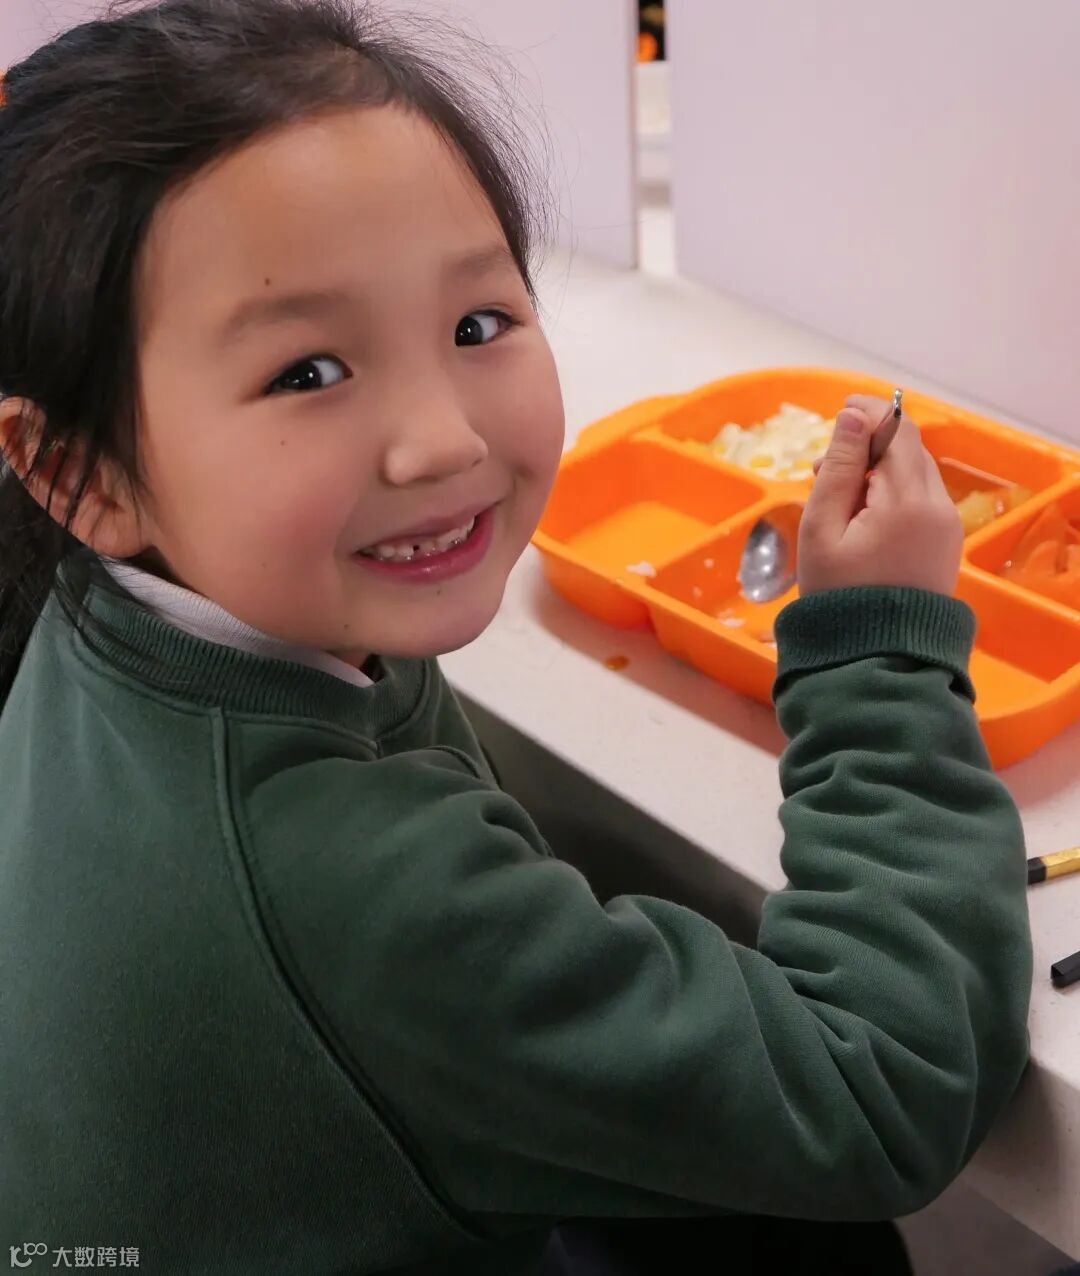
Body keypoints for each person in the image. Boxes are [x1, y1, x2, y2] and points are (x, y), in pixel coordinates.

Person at [0, 2, 1032, 1272]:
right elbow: (881, 1084)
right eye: (307, 372)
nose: (444, 440)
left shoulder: (111, 605)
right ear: (76, 470)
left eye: (477, 325)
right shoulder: (349, 884)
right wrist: (880, 650)